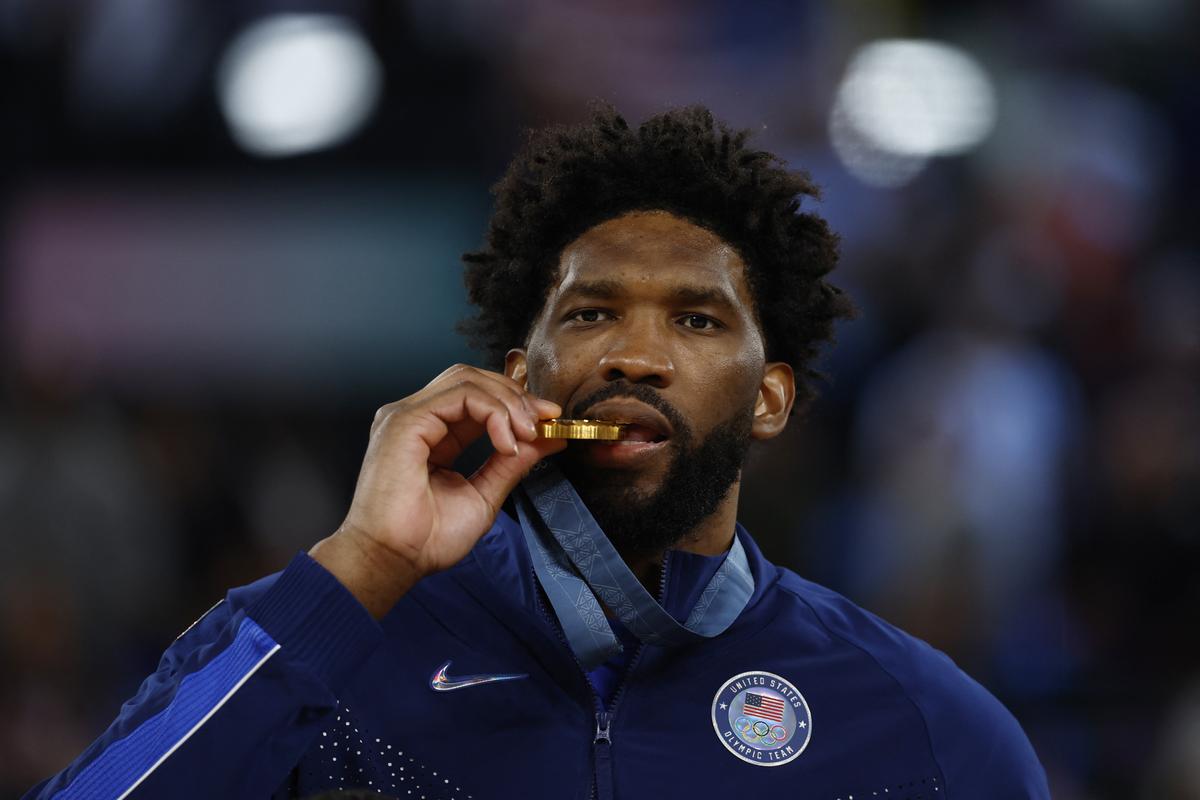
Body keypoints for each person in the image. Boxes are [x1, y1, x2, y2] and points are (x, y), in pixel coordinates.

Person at [24, 105, 1049, 800]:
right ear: (522, 379)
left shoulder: (927, 733)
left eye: (696, 321)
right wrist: (366, 563)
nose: (638, 354)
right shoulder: (323, 646)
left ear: (770, 396)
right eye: (594, 311)